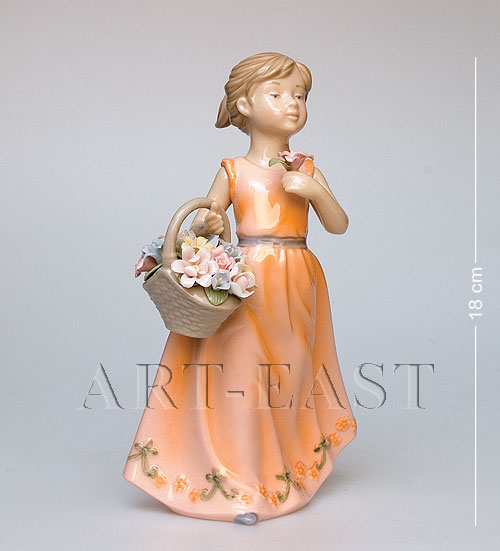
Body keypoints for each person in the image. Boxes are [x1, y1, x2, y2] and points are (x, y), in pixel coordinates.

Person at [124, 52, 357, 524]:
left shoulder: (307, 168)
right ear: (245, 105)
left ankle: (281, 469)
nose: (292, 104)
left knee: (289, 374)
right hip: (248, 280)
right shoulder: (233, 170)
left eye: (300, 96)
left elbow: (338, 224)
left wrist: (315, 192)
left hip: (296, 280)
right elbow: (207, 217)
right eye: (277, 94)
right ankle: (241, 485)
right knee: (243, 375)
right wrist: (210, 223)